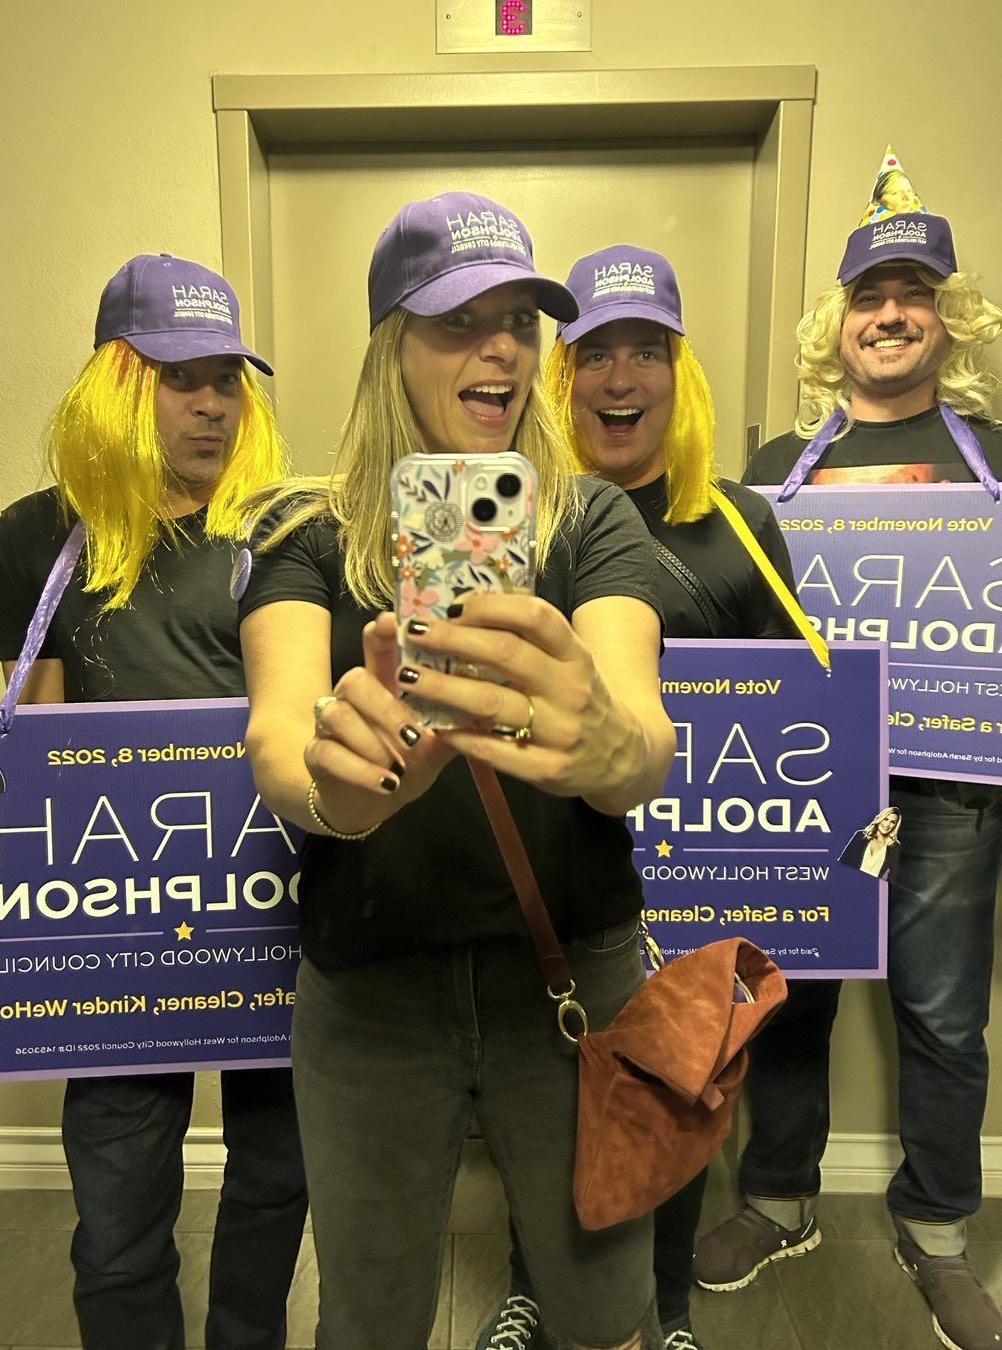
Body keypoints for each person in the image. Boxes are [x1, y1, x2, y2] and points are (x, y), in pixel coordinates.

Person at [238, 192, 677, 1350]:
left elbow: (642, 726)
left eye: (521, 323)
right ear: (393, 345)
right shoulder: (302, 535)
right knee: (369, 1318)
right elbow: (278, 740)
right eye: (459, 321)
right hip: (369, 997)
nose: (503, 351)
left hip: (567, 980)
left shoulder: (589, 523)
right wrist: (340, 789)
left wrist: (612, 751)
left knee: (603, 1310)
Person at [694, 175, 1002, 1350]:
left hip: (951, 788)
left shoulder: (996, 464)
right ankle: (779, 1201)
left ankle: (936, 1228)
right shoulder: (779, 467)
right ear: (839, 323)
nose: (890, 315)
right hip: (808, 785)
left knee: (945, 1019)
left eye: (912, 294)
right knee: (786, 1001)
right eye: (869, 296)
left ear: (946, 318)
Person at [475, 244, 802, 1350]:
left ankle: (665, 1310)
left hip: (705, 879)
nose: (620, 378)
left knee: (678, 1094)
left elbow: (792, 712)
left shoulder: (743, 523)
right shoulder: (515, 520)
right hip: (564, 888)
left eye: (646, 352)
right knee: (554, 1098)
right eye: (593, 354)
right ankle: (534, 1285)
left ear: (679, 372)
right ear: (560, 377)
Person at [0, 253, 307, 1350]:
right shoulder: (38, 535)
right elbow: (34, 751)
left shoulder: (285, 530)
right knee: (118, 1220)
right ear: (119, 386)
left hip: (274, 914)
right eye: (181, 377)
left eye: (227, 378)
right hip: (115, 930)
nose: (212, 402)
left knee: (279, 1180)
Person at [839, 806, 902, 880]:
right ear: (880, 819)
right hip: (850, 880)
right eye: (886, 819)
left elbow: (893, 875)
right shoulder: (860, 836)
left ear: (895, 826)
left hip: (872, 886)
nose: (887, 824)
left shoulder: (894, 846)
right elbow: (842, 861)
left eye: (892, 822)